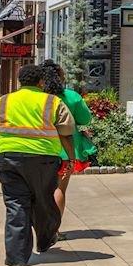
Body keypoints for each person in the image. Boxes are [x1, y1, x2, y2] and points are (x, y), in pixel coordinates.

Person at [0, 63, 76, 266]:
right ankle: (46, 239)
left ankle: (16, 257)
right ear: (41, 82)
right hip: (44, 159)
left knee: (15, 204)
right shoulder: (52, 102)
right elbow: (67, 131)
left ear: (20, 81)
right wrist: (71, 159)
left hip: (8, 159)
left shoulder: (3, 101)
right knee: (44, 200)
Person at [36, 61, 98, 213]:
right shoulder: (72, 96)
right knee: (59, 190)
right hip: (66, 151)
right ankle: (55, 230)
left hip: (38, 149)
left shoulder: (36, 98)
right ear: (60, 78)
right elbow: (85, 119)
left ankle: (40, 228)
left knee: (39, 192)